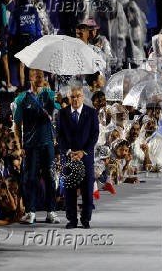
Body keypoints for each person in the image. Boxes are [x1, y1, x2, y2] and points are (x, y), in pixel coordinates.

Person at [13, 69, 59, 224]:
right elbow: (17, 125)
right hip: (30, 145)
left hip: (47, 143)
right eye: (38, 76)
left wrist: (60, 99)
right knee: (29, 179)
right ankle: (30, 211)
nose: (41, 78)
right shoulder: (22, 98)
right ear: (30, 78)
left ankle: (51, 211)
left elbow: (61, 108)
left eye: (43, 76)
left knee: (50, 177)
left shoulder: (50, 95)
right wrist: (19, 146)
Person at [56, 86, 99, 229]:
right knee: (69, 191)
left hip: (85, 158)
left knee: (87, 190)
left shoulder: (91, 113)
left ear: (83, 97)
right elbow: (59, 135)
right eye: (72, 97)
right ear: (68, 98)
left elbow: (94, 135)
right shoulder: (62, 113)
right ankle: (72, 220)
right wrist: (69, 152)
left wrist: (83, 152)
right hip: (68, 157)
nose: (75, 99)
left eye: (78, 96)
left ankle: (86, 219)